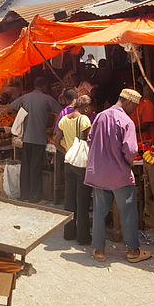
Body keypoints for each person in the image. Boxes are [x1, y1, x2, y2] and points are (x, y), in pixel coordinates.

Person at [85, 88, 151, 264]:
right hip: (119, 174)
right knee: (128, 212)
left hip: (99, 173)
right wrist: (126, 164)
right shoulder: (126, 121)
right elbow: (130, 150)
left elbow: (90, 139)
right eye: (135, 106)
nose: (134, 110)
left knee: (99, 211)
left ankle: (99, 251)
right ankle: (132, 252)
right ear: (129, 102)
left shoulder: (100, 116)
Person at [12, 77, 63, 203]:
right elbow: (62, 113)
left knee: (26, 166)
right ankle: (34, 197)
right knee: (35, 167)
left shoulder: (25, 97)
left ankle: (24, 194)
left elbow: (12, 106)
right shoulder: (48, 99)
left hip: (26, 138)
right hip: (39, 138)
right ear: (44, 86)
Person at [54, 95, 94, 245]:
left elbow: (56, 142)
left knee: (69, 200)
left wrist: (68, 152)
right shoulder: (84, 119)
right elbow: (90, 141)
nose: (90, 111)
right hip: (81, 165)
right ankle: (83, 236)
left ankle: (69, 232)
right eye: (89, 108)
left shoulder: (64, 119)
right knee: (82, 200)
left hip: (69, 163)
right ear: (85, 107)